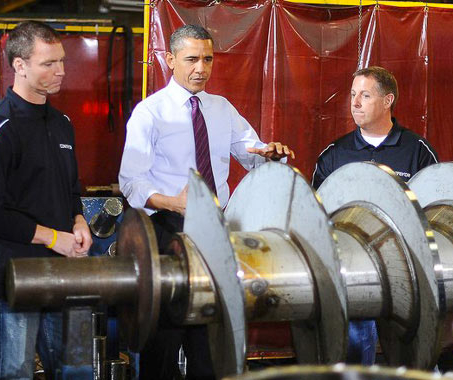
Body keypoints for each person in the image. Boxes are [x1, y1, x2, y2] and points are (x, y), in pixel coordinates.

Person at [119, 24, 294, 379]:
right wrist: (172, 202)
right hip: (167, 234)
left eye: (208, 59)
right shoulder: (150, 112)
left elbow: (251, 154)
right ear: (170, 60)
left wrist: (270, 154)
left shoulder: (221, 108)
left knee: (209, 345)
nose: (201, 68)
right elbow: (131, 182)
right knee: (164, 344)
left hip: (216, 234)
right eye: (192, 59)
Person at [0, 21, 92, 379]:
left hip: (61, 274)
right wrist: (53, 237)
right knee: (15, 371)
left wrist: (78, 220)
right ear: (19, 65)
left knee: (73, 369)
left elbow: (69, 190)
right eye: (48, 63)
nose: (61, 71)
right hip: (13, 278)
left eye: (62, 61)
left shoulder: (62, 123)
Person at [312, 66, 438, 364]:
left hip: (407, 272)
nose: (354, 103)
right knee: (354, 353)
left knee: (413, 357)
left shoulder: (416, 150)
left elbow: (432, 214)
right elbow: (317, 216)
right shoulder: (334, 154)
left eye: (365, 95)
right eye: (353, 94)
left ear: (387, 101)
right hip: (354, 273)